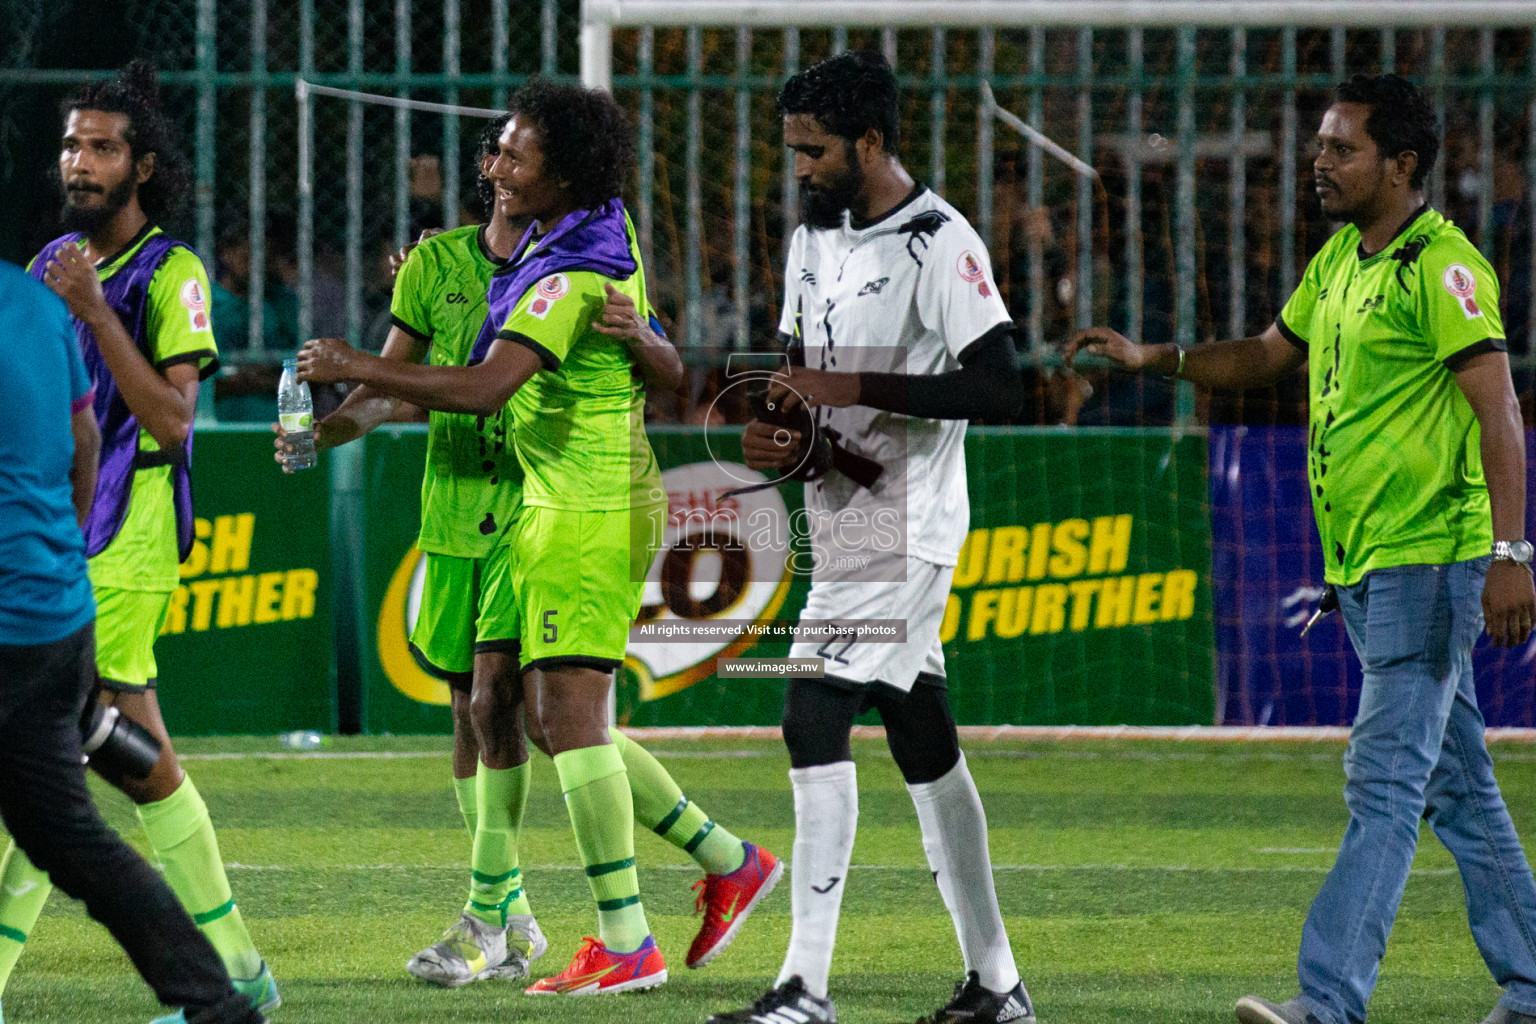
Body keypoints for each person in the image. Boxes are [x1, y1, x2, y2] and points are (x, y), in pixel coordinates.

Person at [1065, 74, 1536, 1024]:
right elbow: (1267, 357)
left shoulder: (1441, 269)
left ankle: (1328, 1001)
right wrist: (1160, 360)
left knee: (1384, 783)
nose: (1320, 163)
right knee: (1457, 784)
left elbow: (1501, 409)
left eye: (1342, 148)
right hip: (1364, 567)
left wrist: (1510, 552)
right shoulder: (1340, 264)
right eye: (1321, 146)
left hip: (1427, 562)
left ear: (1401, 165)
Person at [294, 80, 780, 995]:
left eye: (515, 154)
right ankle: (713, 863)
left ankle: (580, 928)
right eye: (496, 151)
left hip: (574, 502)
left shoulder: (569, 265)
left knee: (550, 716)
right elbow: (415, 385)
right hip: (529, 507)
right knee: (523, 716)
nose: (496, 167)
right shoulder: (571, 240)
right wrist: (327, 426)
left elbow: (487, 386)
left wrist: (350, 363)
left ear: (562, 171)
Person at [708, 51, 1033, 1024]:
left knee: (810, 716)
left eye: (814, 152)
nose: (799, 169)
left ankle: (805, 988)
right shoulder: (813, 238)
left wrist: (855, 391)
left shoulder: (940, 243)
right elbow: (797, 373)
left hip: (911, 528)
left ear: (872, 143)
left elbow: (999, 385)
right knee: (922, 735)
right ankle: (998, 981)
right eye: (792, 151)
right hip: (846, 523)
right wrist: (785, 434)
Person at [0, 61, 279, 1023]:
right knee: (137, 754)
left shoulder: (172, 272)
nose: (80, 161)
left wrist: (91, 310)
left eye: (102, 146)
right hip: (63, 536)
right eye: (72, 144)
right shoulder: (46, 265)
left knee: (44, 765)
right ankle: (239, 967)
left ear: (143, 166)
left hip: (129, 531)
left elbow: (171, 424)